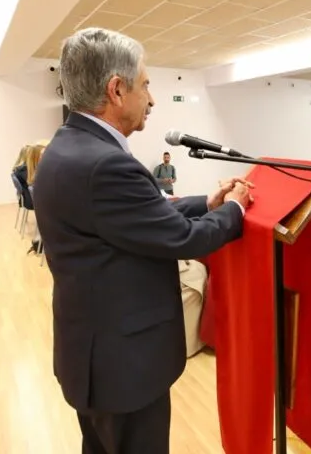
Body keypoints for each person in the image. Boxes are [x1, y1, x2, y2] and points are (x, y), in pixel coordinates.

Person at [33, 28, 253, 454]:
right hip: (124, 368)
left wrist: (206, 201)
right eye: (146, 85)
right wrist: (236, 209)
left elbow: (133, 217)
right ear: (116, 90)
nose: (152, 99)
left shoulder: (67, 147)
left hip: (94, 355)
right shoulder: (106, 164)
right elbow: (183, 239)